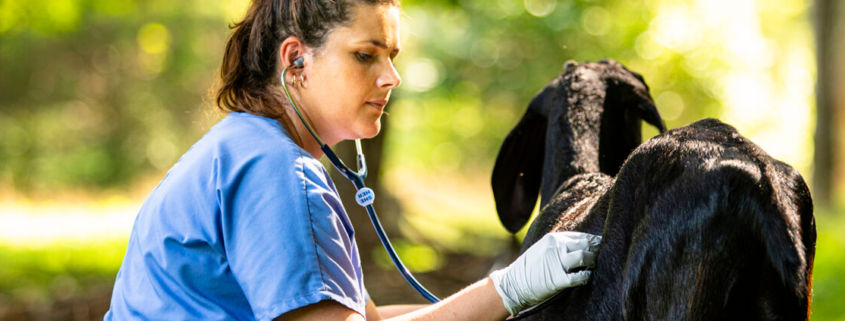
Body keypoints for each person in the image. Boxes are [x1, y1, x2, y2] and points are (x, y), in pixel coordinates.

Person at [105, 0, 602, 320]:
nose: (391, 78)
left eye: (393, 57)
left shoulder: (245, 146)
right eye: (367, 55)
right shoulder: (275, 172)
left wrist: (509, 297)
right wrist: (508, 289)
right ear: (296, 60)